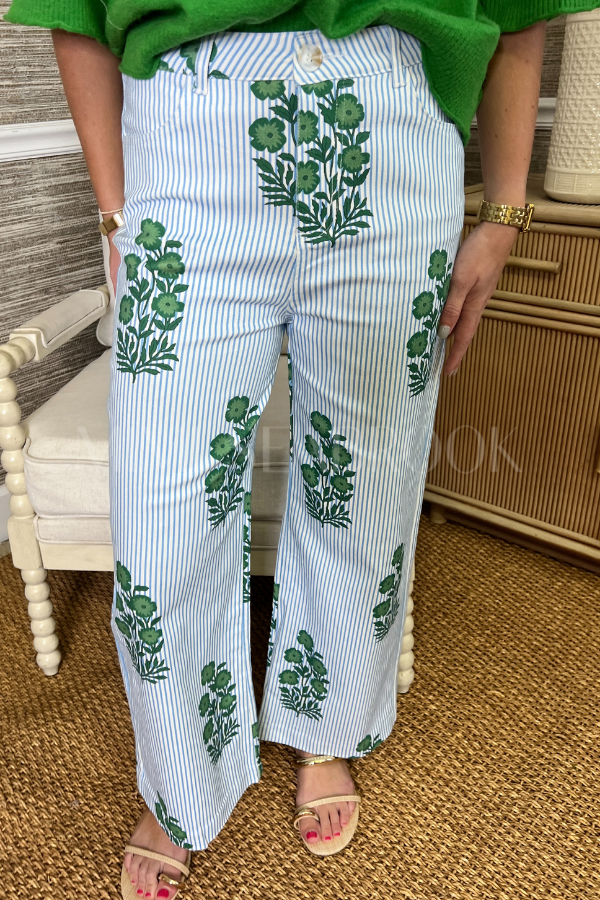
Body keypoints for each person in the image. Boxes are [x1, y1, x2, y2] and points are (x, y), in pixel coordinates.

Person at [4, 1, 596, 898]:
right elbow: (77, 12)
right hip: (188, 149)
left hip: (393, 149)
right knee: (163, 518)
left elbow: (518, 15)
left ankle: (328, 722)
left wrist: (505, 211)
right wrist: (118, 214)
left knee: (363, 492)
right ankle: (180, 782)